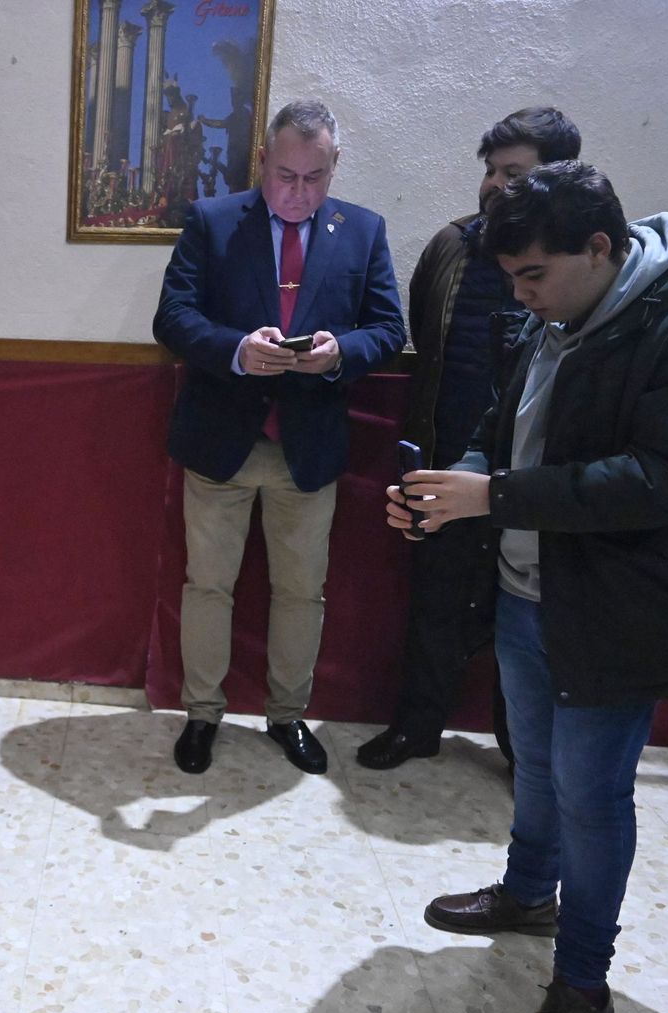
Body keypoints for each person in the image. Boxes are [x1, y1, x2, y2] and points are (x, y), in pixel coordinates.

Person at [387, 161, 668, 1013]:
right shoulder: (552, 312)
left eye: (535, 277)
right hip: (528, 591)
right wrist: (462, 483)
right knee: (540, 774)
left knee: (595, 799)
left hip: (617, 609)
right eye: (512, 280)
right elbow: (499, 419)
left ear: (599, 248)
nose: (523, 297)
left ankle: (582, 986)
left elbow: (667, 481)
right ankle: (527, 894)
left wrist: (498, 496)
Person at [154, 99, 405, 776]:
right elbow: (173, 318)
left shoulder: (363, 230)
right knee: (208, 586)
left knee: (302, 592)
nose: (298, 193)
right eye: (286, 176)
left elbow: (388, 329)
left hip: (308, 445)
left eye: (314, 178)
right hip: (220, 443)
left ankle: (288, 716)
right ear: (263, 161)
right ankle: (202, 716)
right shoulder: (213, 221)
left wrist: (339, 352)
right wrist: (237, 348)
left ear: (334, 166)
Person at [358, 107, 581, 772]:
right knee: (436, 601)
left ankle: (523, 756)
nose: (493, 185)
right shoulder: (451, 245)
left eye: (513, 172)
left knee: (526, 620)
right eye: (489, 170)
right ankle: (416, 727)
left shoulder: (577, 262)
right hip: (447, 458)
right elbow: (427, 341)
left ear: (556, 179)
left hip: (536, 479)